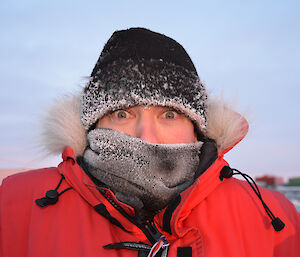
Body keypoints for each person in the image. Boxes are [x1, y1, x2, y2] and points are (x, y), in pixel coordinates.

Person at [0, 28, 299, 257]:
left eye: (169, 114)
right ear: (91, 125)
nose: (146, 136)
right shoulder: (15, 204)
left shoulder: (274, 218)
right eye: (121, 113)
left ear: (197, 130)